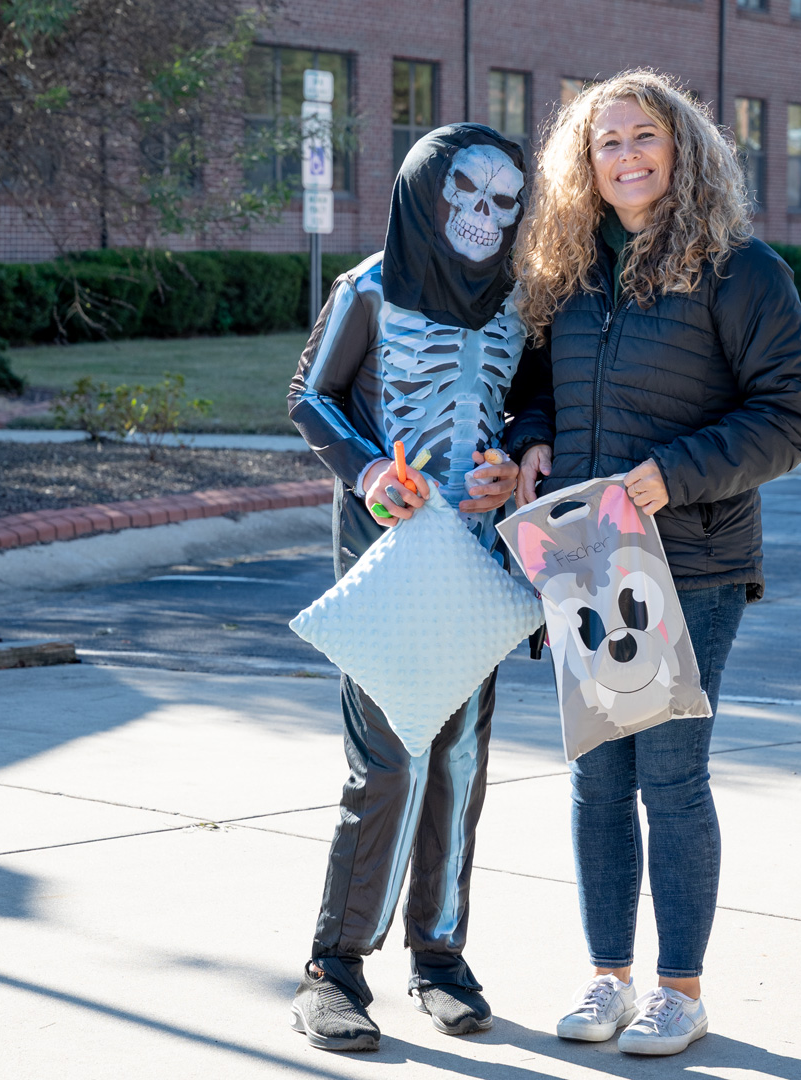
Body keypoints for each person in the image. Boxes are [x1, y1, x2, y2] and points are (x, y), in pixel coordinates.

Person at [504, 70, 801, 1057]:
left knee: (671, 778)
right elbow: (531, 390)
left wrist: (670, 476)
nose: (628, 156)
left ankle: (679, 990)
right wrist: (535, 438)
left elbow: (790, 415)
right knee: (599, 777)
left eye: (646, 137)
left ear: (682, 148)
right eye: (608, 143)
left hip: (693, 558)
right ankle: (608, 978)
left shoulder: (739, 269)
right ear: (583, 163)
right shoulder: (567, 269)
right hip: (586, 554)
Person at [286, 123, 529, 1052]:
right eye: (462, 194)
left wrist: (513, 455)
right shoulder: (371, 286)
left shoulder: (517, 299)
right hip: (386, 555)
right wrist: (367, 472)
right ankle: (334, 966)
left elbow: (533, 396)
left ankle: (440, 957)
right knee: (389, 759)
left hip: (477, 557)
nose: (482, 217)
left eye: (505, 201)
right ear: (425, 197)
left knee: (461, 761)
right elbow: (311, 394)